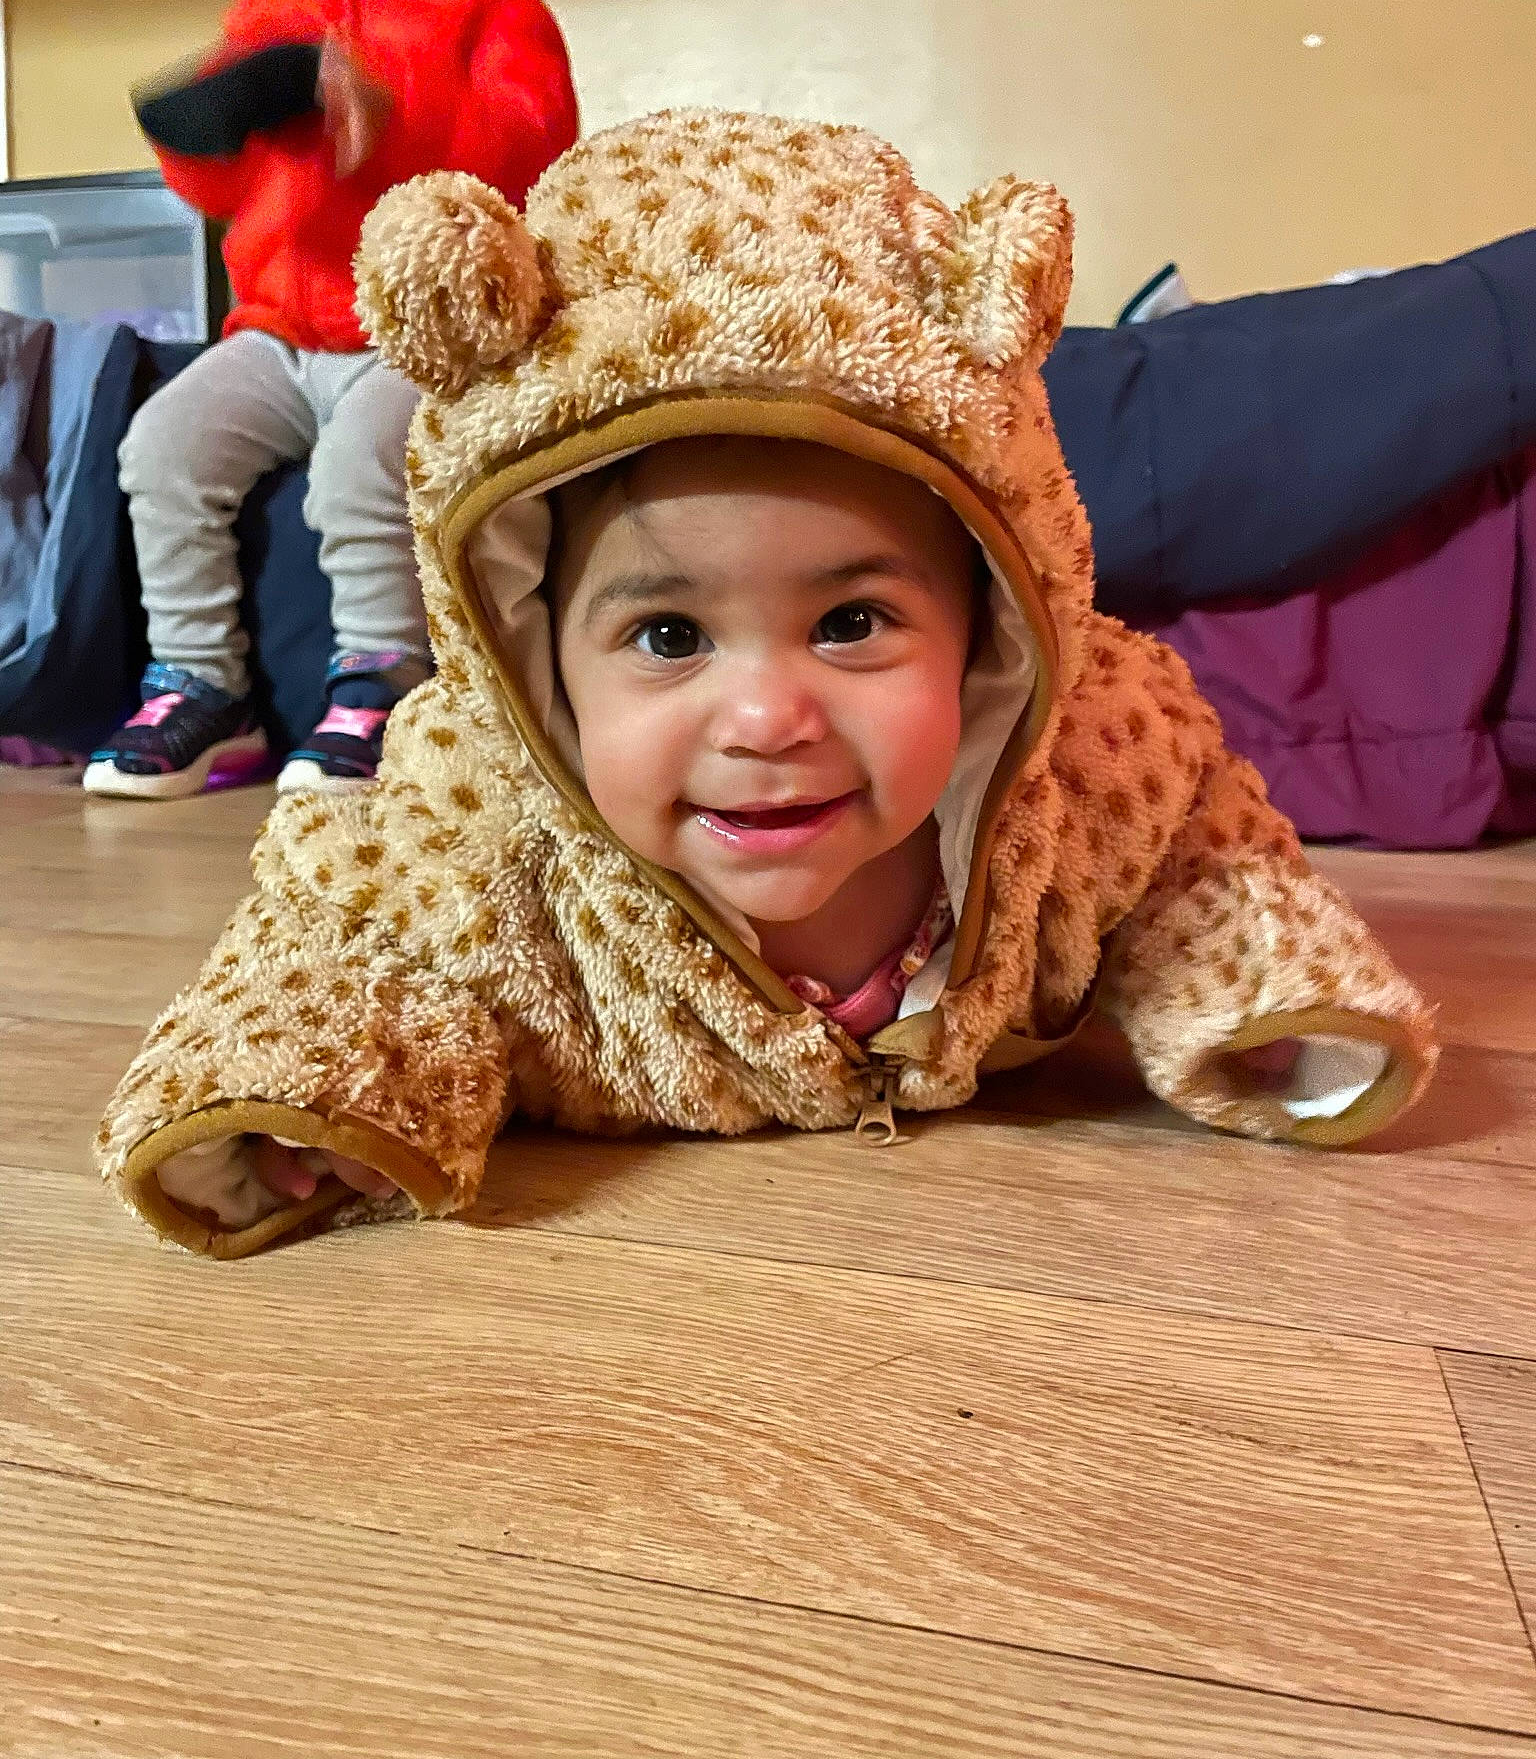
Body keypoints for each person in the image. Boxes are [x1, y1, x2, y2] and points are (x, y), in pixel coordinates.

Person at [96, 111, 1436, 1259]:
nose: (766, 719)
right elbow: (339, 940)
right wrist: (298, 1108)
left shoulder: (1085, 766)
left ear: (989, 634)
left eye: (852, 621)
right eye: (670, 638)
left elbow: (1203, 853)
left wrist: (1256, 1006)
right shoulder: (479, 835)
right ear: (534, 666)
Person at [84, 0, 578, 800]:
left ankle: (382, 678)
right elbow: (215, 190)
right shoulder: (268, 15)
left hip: (408, 338)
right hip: (275, 330)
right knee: (159, 444)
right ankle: (202, 686)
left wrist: (391, 113)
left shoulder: (492, 9)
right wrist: (202, 128)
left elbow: (530, 142)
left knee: (365, 456)